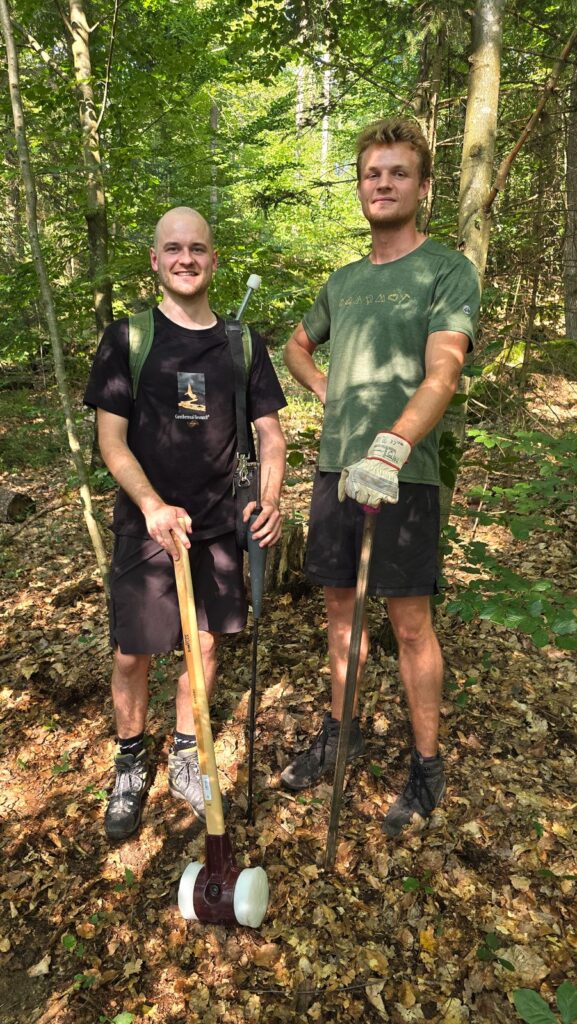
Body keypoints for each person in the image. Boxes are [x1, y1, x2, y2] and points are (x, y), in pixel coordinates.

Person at [281, 118, 480, 837]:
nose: (383, 183)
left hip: (405, 476)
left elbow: (443, 371)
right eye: (372, 173)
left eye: (398, 173)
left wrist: (390, 446)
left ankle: (425, 766)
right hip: (336, 470)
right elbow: (297, 346)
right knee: (339, 610)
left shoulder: (445, 270)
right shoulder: (343, 281)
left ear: (422, 187)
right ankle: (342, 732)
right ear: (360, 185)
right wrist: (330, 394)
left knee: (409, 621)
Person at [84, 206, 287, 842]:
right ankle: (129, 760)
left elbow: (271, 433)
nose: (186, 258)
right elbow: (112, 443)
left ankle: (183, 755)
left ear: (213, 259)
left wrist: (271, 499)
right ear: (155, 260)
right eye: (173, 248)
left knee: (202, 646)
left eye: (198, 248)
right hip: (148, 527)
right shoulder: (129, 339)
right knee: (132, 654)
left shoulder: (241, 343)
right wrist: (150, 505)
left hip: (221, 528)